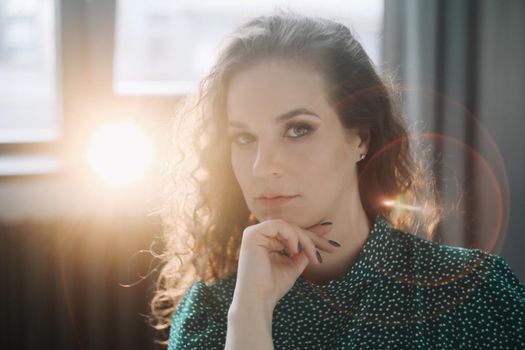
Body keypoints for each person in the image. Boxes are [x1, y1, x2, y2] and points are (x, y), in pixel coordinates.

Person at [148, 9, 525, 350]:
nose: (262, 167)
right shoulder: (214, 314)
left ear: (359, 137)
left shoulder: (476, 292)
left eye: (298, 130)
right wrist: (250, 315)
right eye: (244, 138)